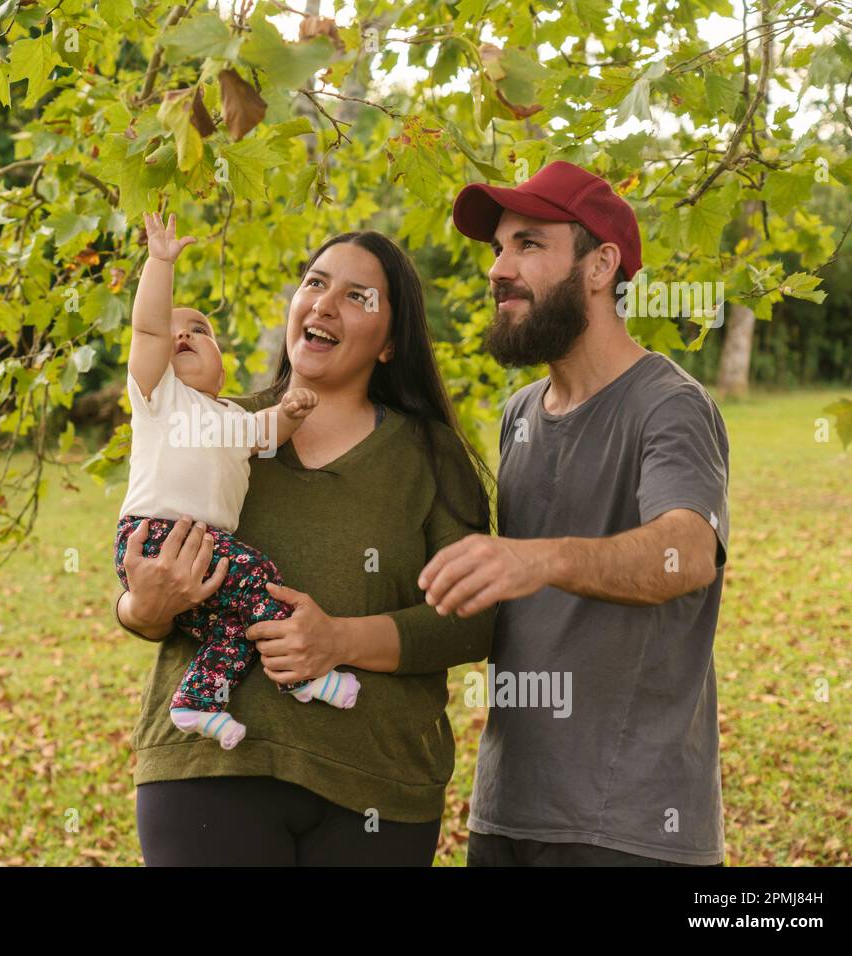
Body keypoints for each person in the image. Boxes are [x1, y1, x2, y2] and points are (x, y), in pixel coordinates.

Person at [114, 229, 495, 866]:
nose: (322, 303)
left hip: (378, 783)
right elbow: (137, 593)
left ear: (393, 342)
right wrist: (144, 608)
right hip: (211, 774)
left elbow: (476, 622)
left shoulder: (430, 456)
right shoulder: (216, 424)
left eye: (356, 296)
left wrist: (340, 641)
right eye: (314, 283)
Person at [421, 161, 730, 866]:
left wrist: (541, 558)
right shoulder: (519, 414)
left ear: (600, 267)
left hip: (629, 825)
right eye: (497, 248)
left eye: (528, 244)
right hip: (507, 808)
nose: (499, 268)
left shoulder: (670, 405)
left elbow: (688, 552)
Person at [114, 211, 360, 753]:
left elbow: (265, 434)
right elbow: (150, 328)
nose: (182, 333)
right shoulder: (159, 398)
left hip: (205, 550)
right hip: (155, 536)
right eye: (176, 331)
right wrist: (160, 262)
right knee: (261, 574)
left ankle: (199, 701)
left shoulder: (229, 415)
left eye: (199, 329)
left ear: (224, 368)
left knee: (232, 629)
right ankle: (300, 678)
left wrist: (292, 411)